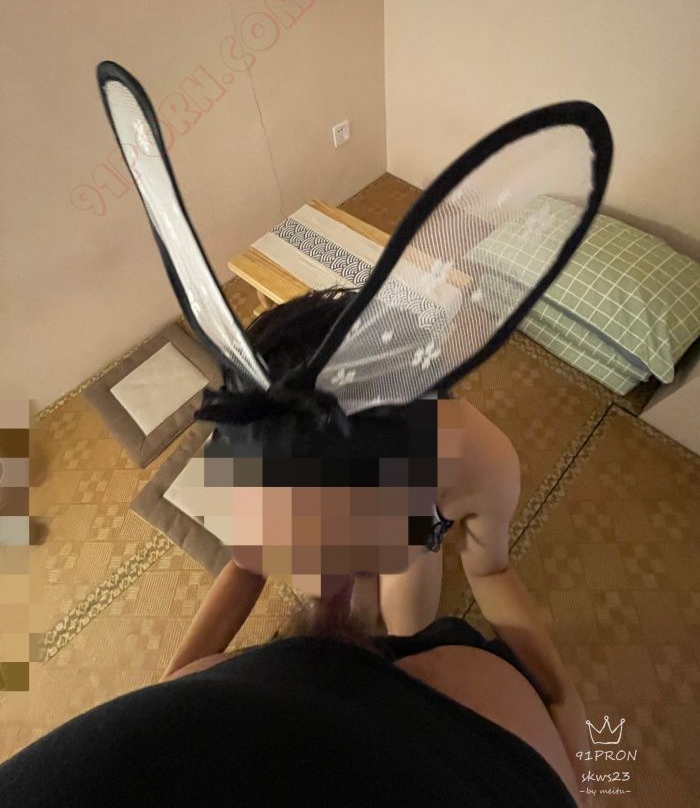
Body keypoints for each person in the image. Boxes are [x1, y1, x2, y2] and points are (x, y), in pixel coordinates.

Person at [0, 290, 589, 807]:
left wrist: (559, 694)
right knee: (332, 600)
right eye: (300, 540)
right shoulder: (254, 458)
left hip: (414, 539)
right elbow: (246, 563)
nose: (321, 571)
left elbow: (490, 571)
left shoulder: (479, 461)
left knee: (409, 622)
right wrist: (174, 690)